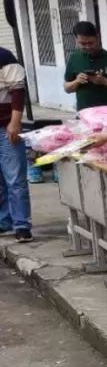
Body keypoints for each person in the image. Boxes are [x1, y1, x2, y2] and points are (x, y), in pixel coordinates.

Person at [0, 46, 31, 242]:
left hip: (5, 127)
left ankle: (21, 224)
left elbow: (18, 91)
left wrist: (15, 122)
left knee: (15, 179)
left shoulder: (4, 56)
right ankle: (4, 221)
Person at [63, 22, 107, 111]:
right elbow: (67, 88)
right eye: (83, 44)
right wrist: (77, 81)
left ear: (98, 38)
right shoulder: (74, 58)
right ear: (76, 40)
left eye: (91, 43)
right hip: (84, 114)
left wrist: (104, 81)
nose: (87, 47)